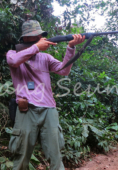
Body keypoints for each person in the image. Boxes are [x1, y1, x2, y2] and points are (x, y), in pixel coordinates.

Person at [6, 19, 85, 170]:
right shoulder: (13, 53)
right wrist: (35, 47)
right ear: (24, 38)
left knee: (55, 155)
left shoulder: (45, 57)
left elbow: (64, 70)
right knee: (22, 155)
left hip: (49, 109)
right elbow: (14, 61)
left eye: (39, 35)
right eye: (33, 36)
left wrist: (71, 48)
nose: (37, 38)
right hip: (26, 109)